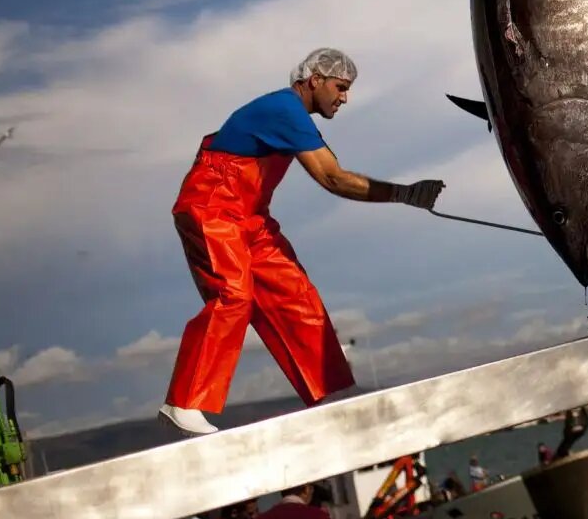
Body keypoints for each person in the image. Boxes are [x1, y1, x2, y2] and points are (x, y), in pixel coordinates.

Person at [158, 49, 446, 436]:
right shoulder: (285, 110)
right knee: (234, 296)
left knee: (295, 293)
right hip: (212, 206)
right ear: (315, 80)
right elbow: (333, 178)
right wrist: (404, 194)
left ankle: (332, 392)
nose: (344, 98)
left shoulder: (291, 116)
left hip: (250, 215)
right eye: (340, 88)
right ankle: (184, 403)